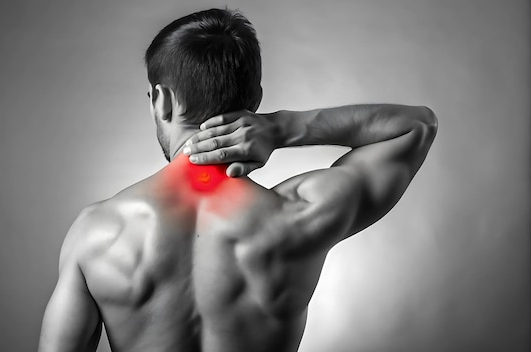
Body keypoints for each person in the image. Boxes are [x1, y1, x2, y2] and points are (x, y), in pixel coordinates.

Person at [38, 8, 437, 352]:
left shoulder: (95, 233)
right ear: (256, 99)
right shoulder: (301, 214)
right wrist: (285, 127)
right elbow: (416, 126)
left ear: (162, 100)